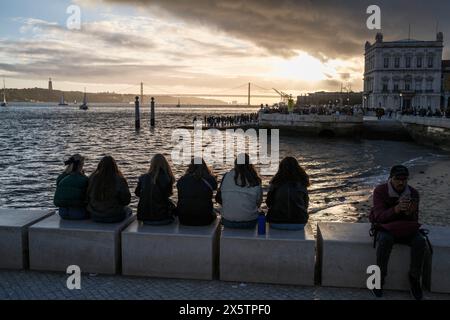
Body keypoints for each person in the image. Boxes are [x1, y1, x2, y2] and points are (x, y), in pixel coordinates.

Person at [369, 165, 426, 300]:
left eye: (404, 179)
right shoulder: (380, 191)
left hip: (405, 227)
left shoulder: (413, 193)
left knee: (420, 241)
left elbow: (414, 220)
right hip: (386, 227)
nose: (401, 182)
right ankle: (379, 279)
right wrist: (396, 209)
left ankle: (414, 279)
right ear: (390, 178)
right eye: (397, 179)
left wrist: (409, 212)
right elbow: (379, 217)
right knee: (384, 240)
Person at [216, 153, 263, 229]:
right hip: (250, 222)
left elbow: (218, 198)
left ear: (235, 164)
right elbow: (258, 202)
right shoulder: (255, 179)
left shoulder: (227, 176)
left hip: (228, 221)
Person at [266, 157, 310, 230]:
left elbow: (268, 203)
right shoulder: (302, 183)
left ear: (281, 168)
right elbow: (305, 204)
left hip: (276, 222)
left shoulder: (275, 183)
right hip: (299, 223)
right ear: (297, 168)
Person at [87, 155, 132, 223]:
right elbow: (126, 201)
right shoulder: (120, 179)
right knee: (129, 210)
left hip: (95, 216)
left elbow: (87, 196)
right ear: (114, 166)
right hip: (113, 216)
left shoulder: (92, 178)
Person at [135, 154, 176, 225]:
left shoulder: (143, 178)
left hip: (145, 219)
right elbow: (168, 194)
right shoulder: (167, 178)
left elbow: (137, 193)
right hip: (163, 218)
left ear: (152, 164)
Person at [176, 158, 218, 226]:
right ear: (204, 166)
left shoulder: (182, 180)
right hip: (204, 220)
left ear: (190, 166)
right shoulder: (210, 179)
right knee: (214, 212)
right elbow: (215, 188)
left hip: (184, 219)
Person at [54, 154, 89, 220]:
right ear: (80, 165)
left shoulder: (60, 178)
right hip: (78, 213)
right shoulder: (84, 179)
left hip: (62, 213)